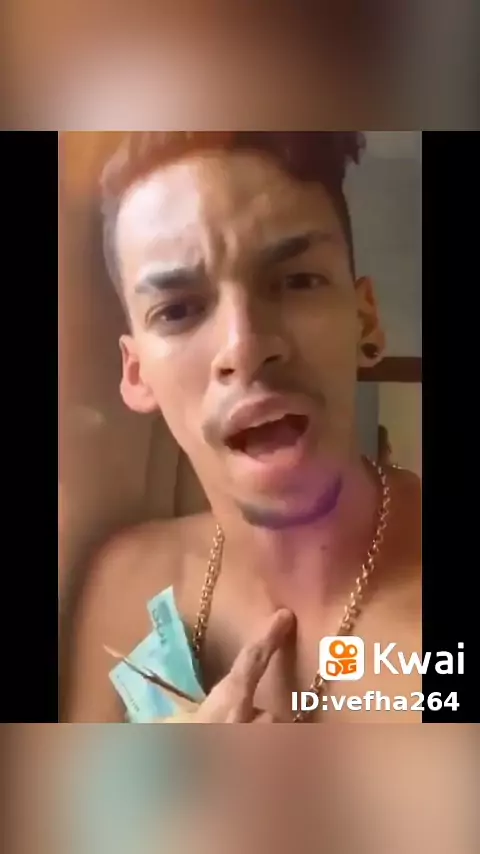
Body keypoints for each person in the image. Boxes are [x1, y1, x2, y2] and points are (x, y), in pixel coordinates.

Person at [67, 132, 421, 724]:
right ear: (137, 373)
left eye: (297, 281)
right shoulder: (125, 585)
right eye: (178, 310)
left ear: (365, 321)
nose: (245, 346)